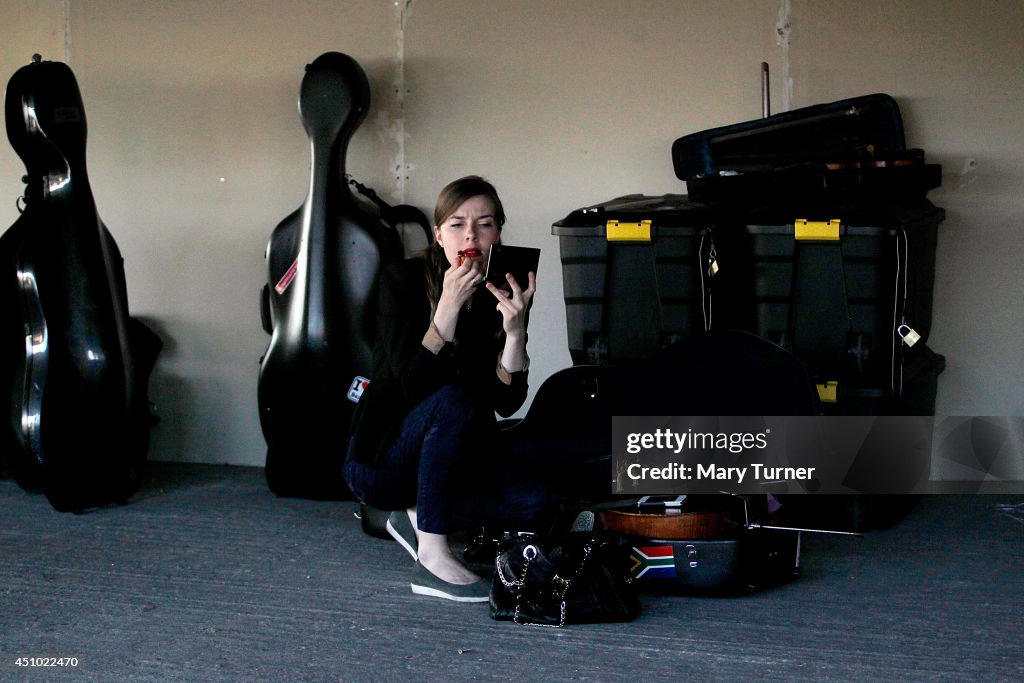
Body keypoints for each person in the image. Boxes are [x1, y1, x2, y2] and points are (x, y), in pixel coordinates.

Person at [344, 175, 547, 602]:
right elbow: (411, 388)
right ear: (438, 235)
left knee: (535, 503)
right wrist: (448, 308)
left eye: (484, 223)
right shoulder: (401, 281)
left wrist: (514, 333)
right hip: (382, 457)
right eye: (457, 224)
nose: (470, 234)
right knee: (454, 397)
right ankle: (431, 555)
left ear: (498, 233)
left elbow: (507, 401)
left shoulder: (500, 287)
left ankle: (412, 513)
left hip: (453, 460)